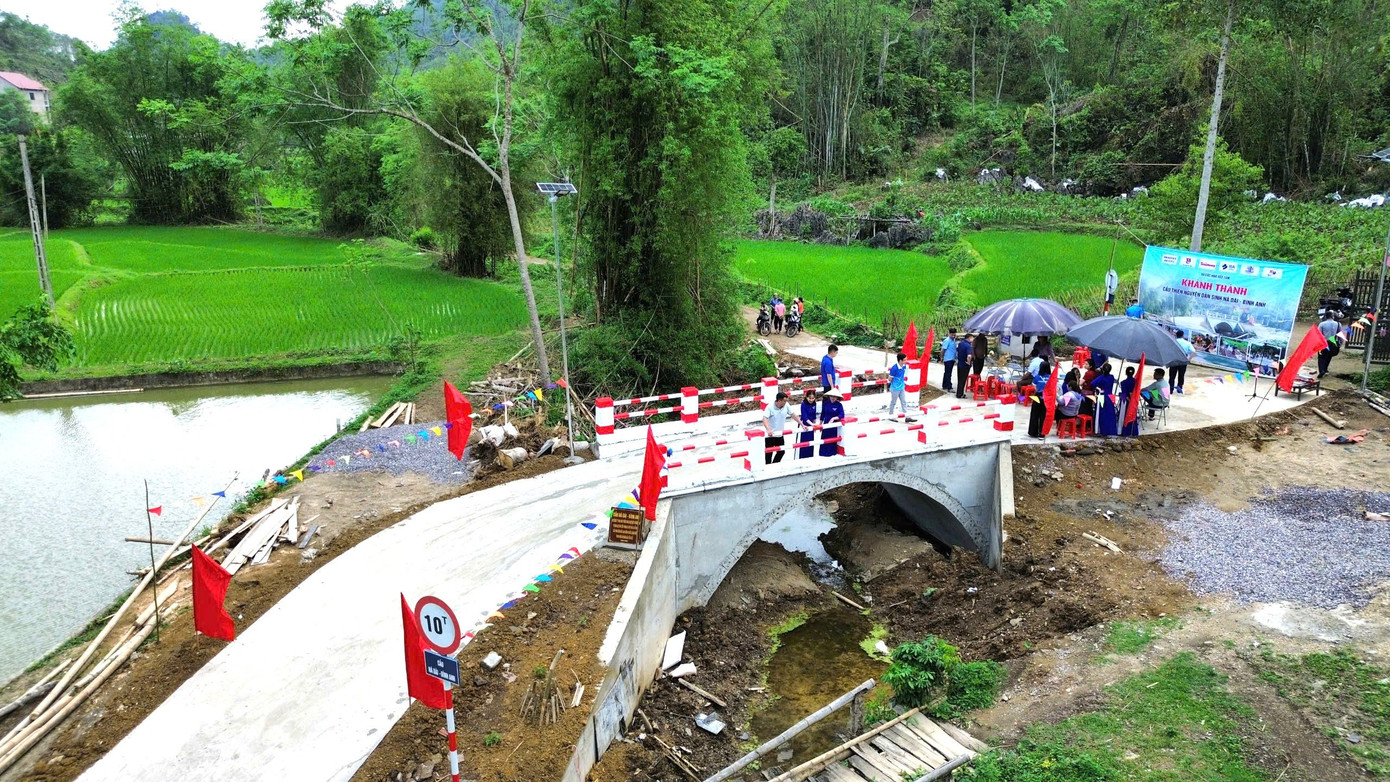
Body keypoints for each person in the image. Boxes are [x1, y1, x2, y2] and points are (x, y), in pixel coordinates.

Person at [762, 391, 800, 464]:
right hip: (771, 435)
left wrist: (801, 423)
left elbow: (792, 414)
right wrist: (768, 430)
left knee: (781, 452)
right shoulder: (770, 407)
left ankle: (774, 465)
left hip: (780, 434)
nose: (785, 402)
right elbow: (764, 419)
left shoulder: (786, 405)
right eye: (784, 401)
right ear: (779, 401)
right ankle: (768, 467)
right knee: (769, 454)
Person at [1026, 360, 1053, 438]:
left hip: (1037, 397)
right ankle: (1042, 434)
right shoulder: (1051, 378)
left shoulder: (1037, 377)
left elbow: (1034, 387)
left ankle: (1033, 432)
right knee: (1043, 416)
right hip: (1047, 398)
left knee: (1035, 414)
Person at [1093, 363, 1118, 436]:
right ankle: (1111, 430)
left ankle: (1102, 430)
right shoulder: (1112, 377)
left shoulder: (1101, 377)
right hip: (1110, 396)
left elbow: (1093, 383)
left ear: (1103, 370)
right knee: (1110, 414)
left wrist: (1098, 388)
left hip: (1102, 396)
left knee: (1101, 413)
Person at [819, 388, 845, 457]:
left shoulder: (839, 405)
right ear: (829, 396)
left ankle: (832, 453)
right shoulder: (825, 403)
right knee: (824, 439)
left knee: (832, 440)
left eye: (834, 396)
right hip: (826, 424)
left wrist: (834, 418)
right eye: (831, 396)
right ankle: (823, 454)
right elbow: (822, 414)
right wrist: (820, 424)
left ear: (837, 397)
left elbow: (842, 415)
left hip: (834, 426)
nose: (833, 398)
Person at [797, 388, 820, 458]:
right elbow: (804, 417)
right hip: (805, 425)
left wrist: (814, 421)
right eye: (809, 398)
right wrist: (812, 424)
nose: (811, 400)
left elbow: (814, 415)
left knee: (811, 442)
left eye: (813, 398)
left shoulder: (814, 404)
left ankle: (810, 456)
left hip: (811, 425)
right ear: (806, 397)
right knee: (804, 443)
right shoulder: (803, 404)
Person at [887, 352, 910, 417]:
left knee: (904, 402)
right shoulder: (894, 368)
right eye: (905, 360)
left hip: (901, 387)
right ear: (900, 360)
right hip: (895, 388)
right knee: (893, 402)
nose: (906, 361)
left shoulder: (904, 366)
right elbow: (889, 378)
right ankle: (890, 415)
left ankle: (907, 416)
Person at [1119, 366, 1139, 437]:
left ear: (1126, 373)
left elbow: (1124, 393)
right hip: (1134, 401)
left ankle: (1126, 431)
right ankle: (1134, 431)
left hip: (1126, 401)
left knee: (1125, 415)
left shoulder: (1123, 383)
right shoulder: (1136, 382)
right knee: (1133, 415)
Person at [955, 333, 973, 399]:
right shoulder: (968, 346)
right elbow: (969, 355)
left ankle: (959, 393)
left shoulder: (960, 343)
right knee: (963, 380)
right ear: (969, 338)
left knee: (959, 379)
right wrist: (968, 362)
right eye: (972, 338)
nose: (973, 339)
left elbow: (957, 351)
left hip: (960, 363)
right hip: (965, 365)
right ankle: (960, 394)